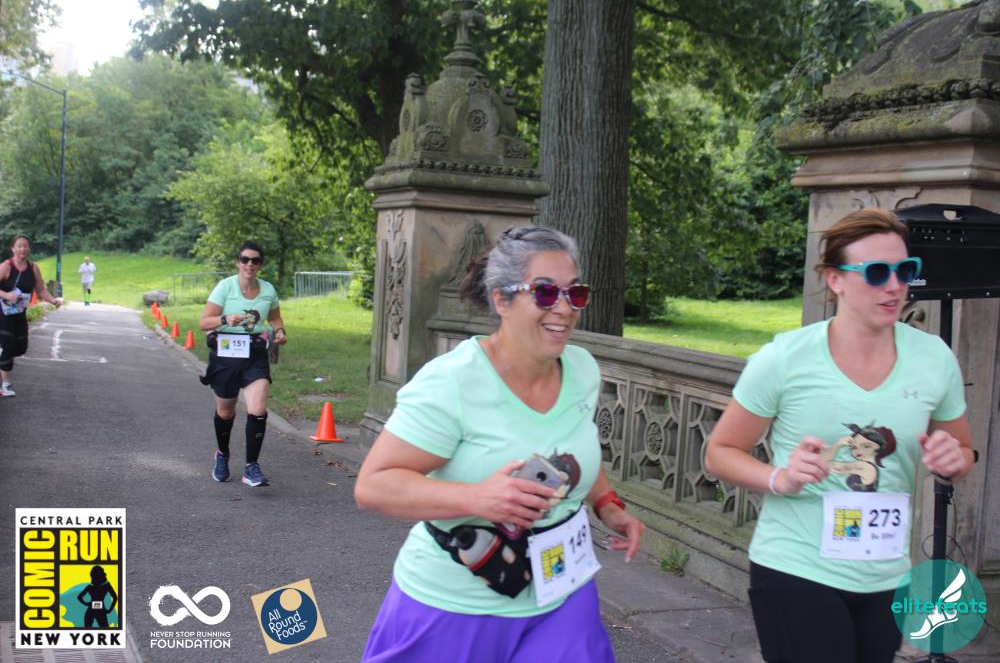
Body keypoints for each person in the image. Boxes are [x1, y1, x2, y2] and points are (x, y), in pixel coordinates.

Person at [354, 226, 646, 662]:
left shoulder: (582, 368)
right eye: (545, 293)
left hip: (562, 597)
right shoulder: (453, 382)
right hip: (457, 604)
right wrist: (478, 497)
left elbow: (577, 445)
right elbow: (373, 486)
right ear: (501, 300)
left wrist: (608, 504)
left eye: (575, 293)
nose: (564, 308)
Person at [705, 208, 975, 663]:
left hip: (885, 574)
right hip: (796, 567)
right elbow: (720, 452)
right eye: (877, 272)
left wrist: (954, 461)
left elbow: (963, 450)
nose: (895, 286)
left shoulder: (934, 359)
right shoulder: (785, 358)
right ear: (835, 280)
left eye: (906, 270)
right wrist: (780, 478)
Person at [198, 241, 287, 487]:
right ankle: (222, 454)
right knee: (225, 412)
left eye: (255, 260)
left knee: (257, 410)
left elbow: (275, 317)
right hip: (225, 354)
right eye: (245, 259)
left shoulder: (268, 289)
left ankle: (251, 467)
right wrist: (225, 319)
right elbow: (204, 322)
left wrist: (280, 331)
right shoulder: (225, 287)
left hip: (255, 354)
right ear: (237, 262)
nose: (250, 264)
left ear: (260, 265)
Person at [0, 235, 62, 397]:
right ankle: (5, 385)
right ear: (13, 248)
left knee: (20, 348)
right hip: (3, 313)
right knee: (8, 347)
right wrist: (7, 295)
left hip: (19, 313)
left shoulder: (33, 268)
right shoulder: (6, 266)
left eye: (25, 246)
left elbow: (41, 289)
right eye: (19, 246)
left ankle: (3, 355)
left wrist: (52, 300)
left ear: (29, 248)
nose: (23, 249)